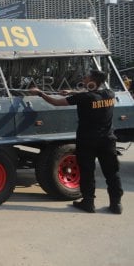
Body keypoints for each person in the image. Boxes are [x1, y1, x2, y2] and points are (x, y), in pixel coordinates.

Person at [30, 70, 124, 214]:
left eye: (86, 77)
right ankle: (116, 204)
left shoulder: (84, 98)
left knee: (87, 172)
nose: (83, 78)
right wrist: (72, 92)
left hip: (88, 141)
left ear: (92, 80)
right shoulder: (110, 94)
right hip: (107, 140)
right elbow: (92, 95)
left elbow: (55, 102)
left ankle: (88, 203)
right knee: (112, 173)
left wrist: (40, 93)